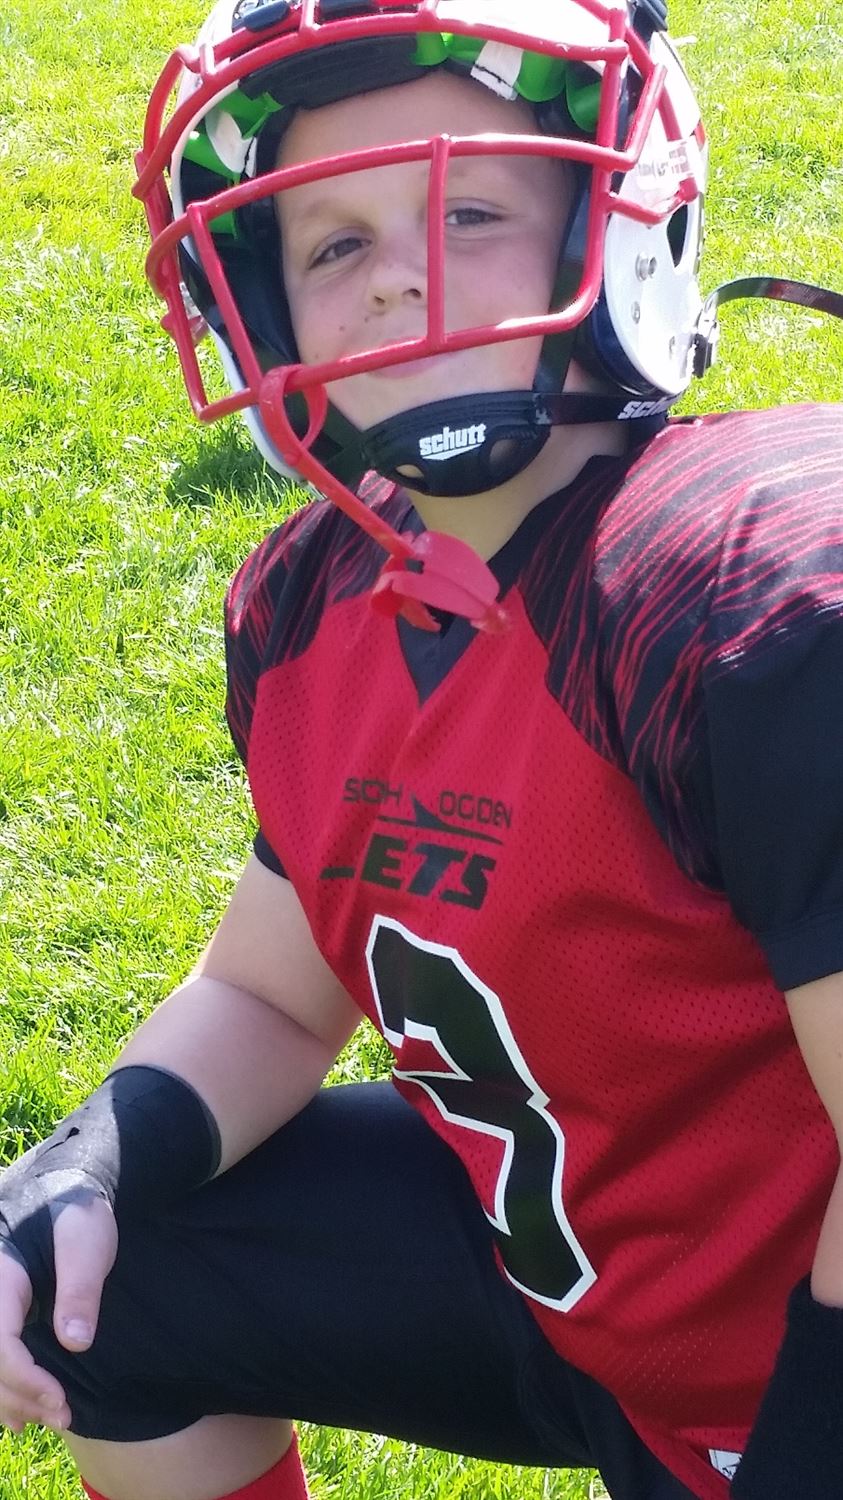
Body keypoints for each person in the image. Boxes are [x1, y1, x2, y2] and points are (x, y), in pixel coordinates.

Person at [1, 1, 842, 1498]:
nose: (401, 276)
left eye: (469, 212)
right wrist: (81, 1165)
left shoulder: (745, 593)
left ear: (617, 223)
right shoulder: (309, 602)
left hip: (792, 1355)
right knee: (105, 1276)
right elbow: (269, 993)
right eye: (335, 243)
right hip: (575, 1281)